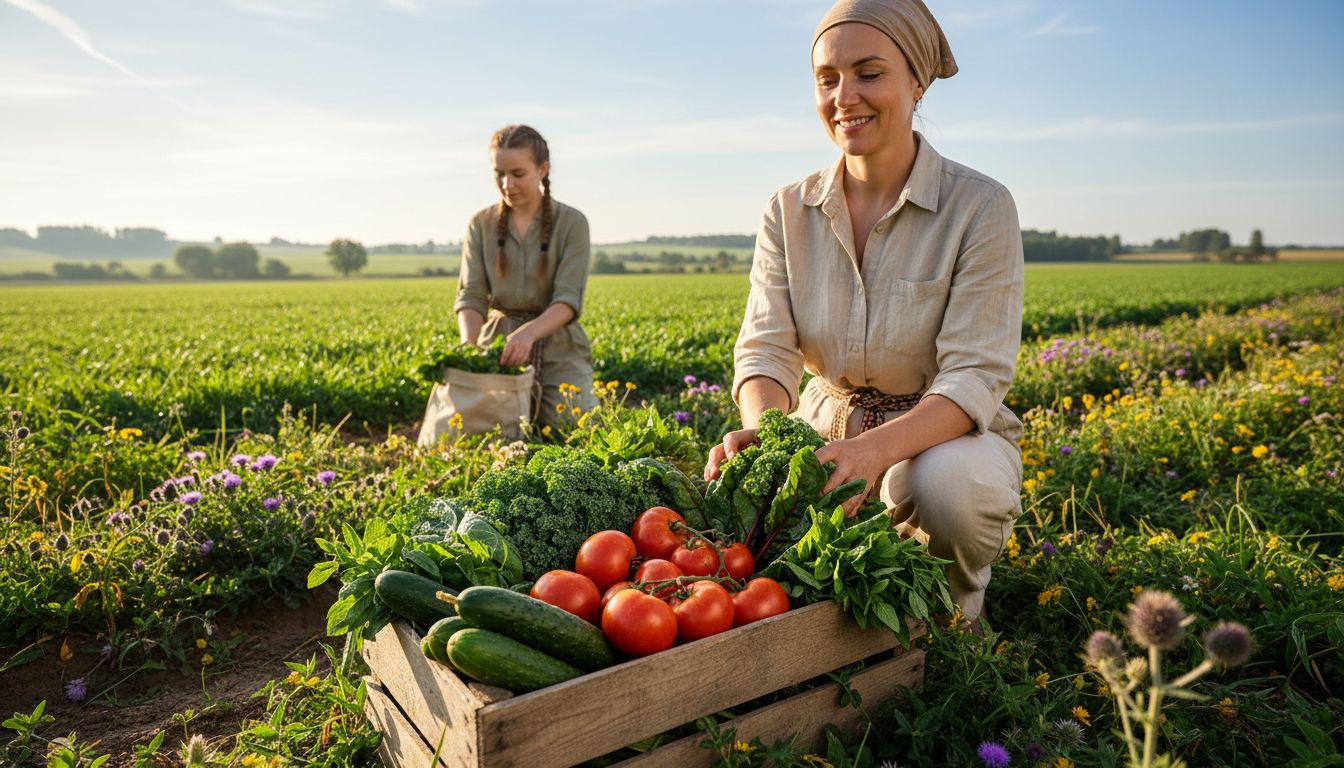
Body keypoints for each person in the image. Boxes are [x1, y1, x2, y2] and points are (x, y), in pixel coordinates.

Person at [705, 0, 1024, 623]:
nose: (844, 96)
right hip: (827, 426)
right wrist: (773, 437)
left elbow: (974, 376)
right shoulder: (788, 210)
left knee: (939, 491)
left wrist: (875, 453)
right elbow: (766, 348)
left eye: (869, 72)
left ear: (917, 81)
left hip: (941, 435)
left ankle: (951, 625)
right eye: (827, 78)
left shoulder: (980, 206)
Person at [455, 124, 599, 427]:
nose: (507, 184)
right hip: (497, 344)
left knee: (576, 430)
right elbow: (472, 295)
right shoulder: (480, 224)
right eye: (499, 174)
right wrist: (469, 353)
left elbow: (568, 299)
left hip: (559, 347)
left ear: (543, 169)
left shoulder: (572, 222)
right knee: (485, 435)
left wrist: (528, 333)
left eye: (518, 174)